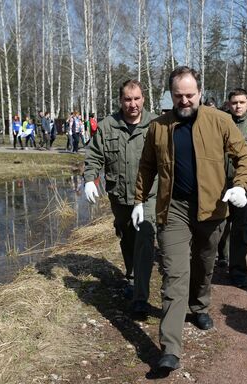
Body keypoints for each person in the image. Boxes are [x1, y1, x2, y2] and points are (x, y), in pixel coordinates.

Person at [133, 66, 247, 372]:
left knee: (204, 263)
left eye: (190, 95)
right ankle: (170, 348)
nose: (184, 101)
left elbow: (244, 157)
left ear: (200, 93)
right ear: (171, 95)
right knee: (174, 275)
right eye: (178, 96)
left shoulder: (221, 121)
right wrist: (138, 200)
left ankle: (199, 305)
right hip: (173, 208)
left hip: (212, 208)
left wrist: (240, 185)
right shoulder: (159, 127)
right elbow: (147, 167)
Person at [84, 79, 158, 319]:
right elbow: (94, 154)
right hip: (119, 196)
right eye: (128, 99)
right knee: (127, 237)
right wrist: (89, 178)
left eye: (137, 99)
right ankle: (134, 276)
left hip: (148, 195)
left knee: (145, 237)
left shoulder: (156, 124)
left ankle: (140, 297)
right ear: (121, 101)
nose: (133, 104)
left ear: (143, 99)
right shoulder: (108, 126)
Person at [217, 88, 247, 286]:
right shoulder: (219, 123)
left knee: (242, 229)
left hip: (245, 186)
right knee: (219, 226)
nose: (238, 106)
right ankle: (221, 256)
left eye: (241, 102)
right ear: (228, 104)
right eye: (234, 102)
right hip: (220, 184)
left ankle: (237, 270)